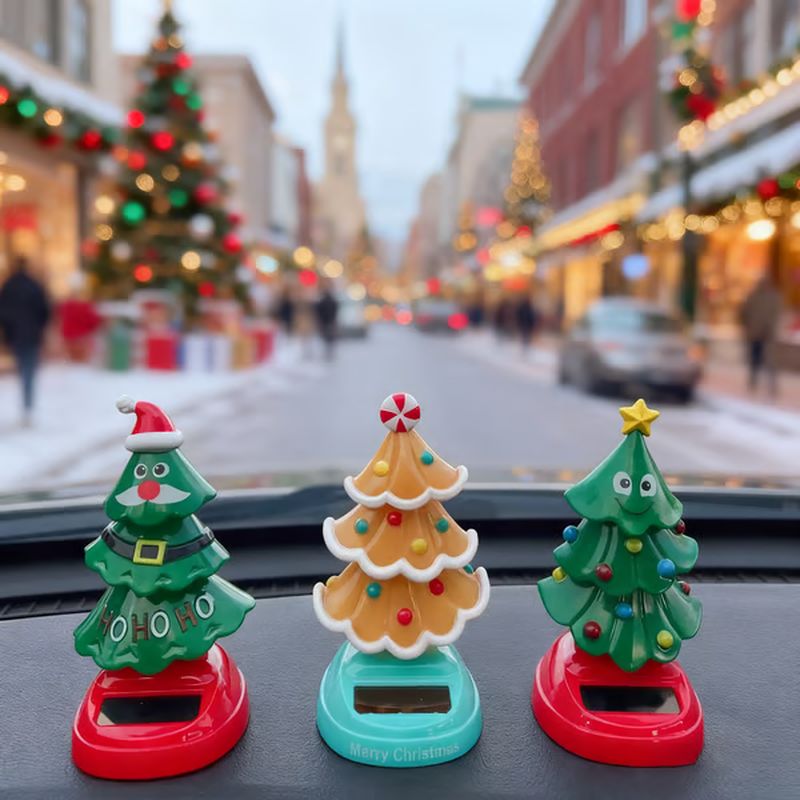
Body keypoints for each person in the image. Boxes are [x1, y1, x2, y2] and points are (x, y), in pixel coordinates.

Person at [0, 256, 51, 425]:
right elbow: (44, 310)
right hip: (31, 335)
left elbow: (3, 312)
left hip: (15, 335)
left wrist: (7, 332)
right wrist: (40, 329)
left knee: (22, 368)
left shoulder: (8, 286)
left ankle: (26, 406)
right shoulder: (34, 285)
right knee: (28, 371)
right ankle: (27, 406)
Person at [740, 273, 782, 397]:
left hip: (766, 335)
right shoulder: (754, 296)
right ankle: (754, 383)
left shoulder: (773, 297)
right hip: (757, 334)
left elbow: (776, 315)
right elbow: (744, 313)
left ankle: (771, 387)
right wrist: (747, 327)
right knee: (755, 361)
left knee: (769, 362)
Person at [315, 282, 339, 360]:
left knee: (326, 338)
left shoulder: (322, 301)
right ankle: (329, 352)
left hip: (325, 322)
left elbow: (318, 312)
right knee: (329, 338)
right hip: (329, 321)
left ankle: (328, 352)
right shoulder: (332, 301)